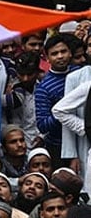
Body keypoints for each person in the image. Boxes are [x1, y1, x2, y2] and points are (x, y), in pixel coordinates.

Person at [35, 35, 78, 166]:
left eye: (63, 51)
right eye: (54, 54)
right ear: (47, 58)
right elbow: (42, 125)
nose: (60, 56)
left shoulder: (81, 73)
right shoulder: (44, 88)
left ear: (70, 53)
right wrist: (62, 111)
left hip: (84, 139)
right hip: (59, 147)